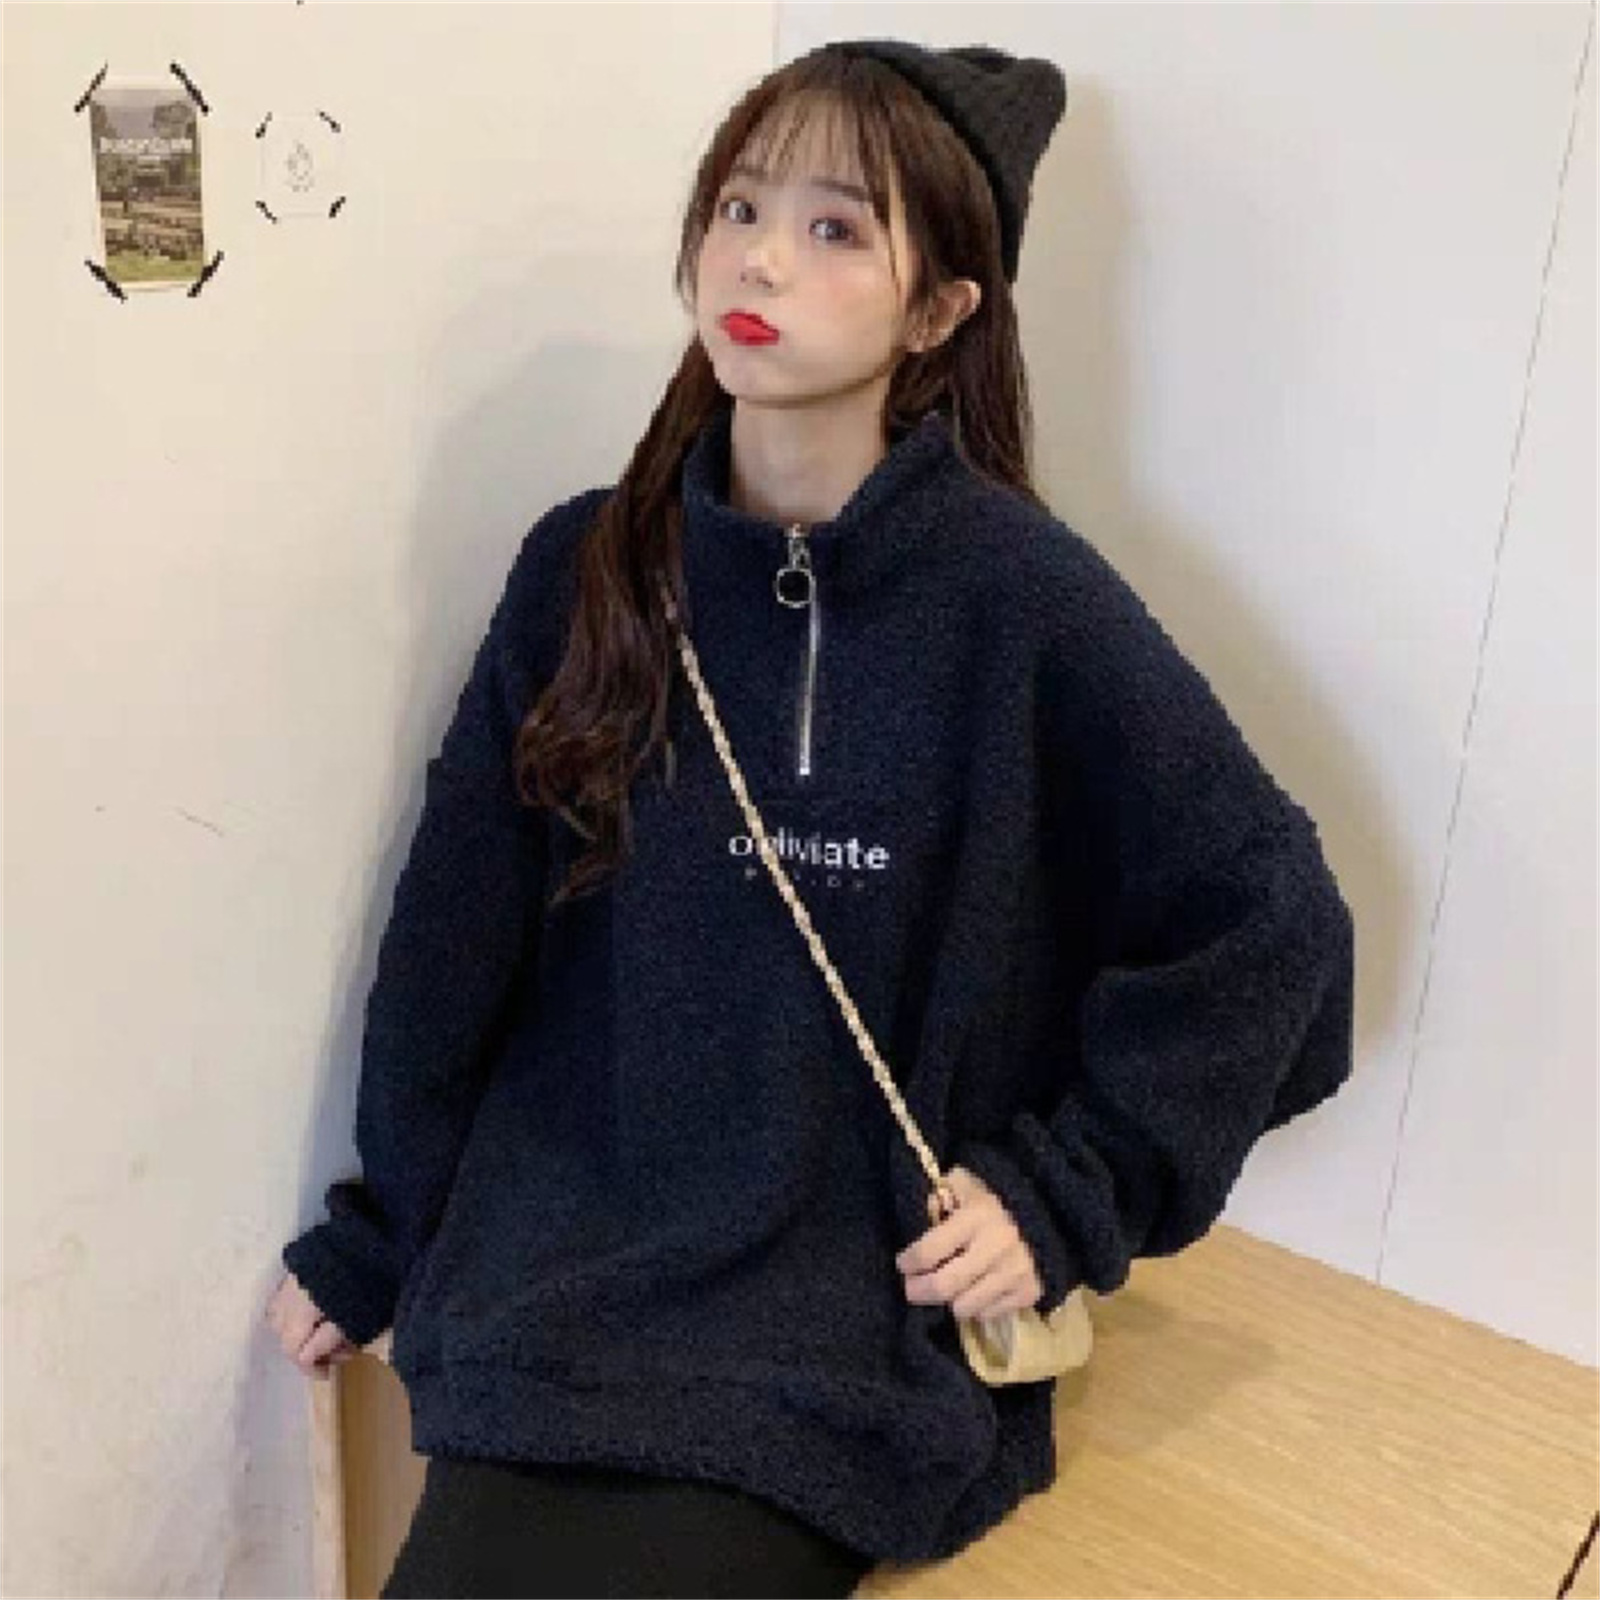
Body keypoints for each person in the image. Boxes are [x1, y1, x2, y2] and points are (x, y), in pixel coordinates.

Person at [265, 36, 1356, 1599]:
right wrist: (382, 1229)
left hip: (840, 1307)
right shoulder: (587, 569)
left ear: (940, 311)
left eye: (837, 227)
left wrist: (1065, 1194)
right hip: (559, 1255)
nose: (759, 258)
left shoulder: (1018, 599)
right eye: (740, 207)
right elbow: (456, 934)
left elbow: (1269, 918)